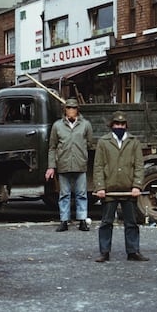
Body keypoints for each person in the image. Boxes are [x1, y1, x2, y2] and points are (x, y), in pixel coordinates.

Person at [92, 111, 149, 262]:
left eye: (122, 124)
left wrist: (137, 185)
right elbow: (98, 166)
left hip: (129, 189)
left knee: (131, 222)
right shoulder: (103, 142)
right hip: (109, 189)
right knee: (106, 222)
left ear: (126, 126)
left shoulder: (134, 142)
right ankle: (104, 251)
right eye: (117, 124)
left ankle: (133, 251)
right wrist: (100, 187)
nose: (119, 127)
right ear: (111, 125)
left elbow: (139, 166)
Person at [45, 98, 94, 232]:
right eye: (69, 108)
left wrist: (82, 156)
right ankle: (64, 220)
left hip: (80, 164)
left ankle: (82, 220)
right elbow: (52, 147)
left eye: (74, 108)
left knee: (82, 194)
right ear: (65, 110)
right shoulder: (57, 126)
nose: (71, 111)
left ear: (78, 110)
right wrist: (51, 166)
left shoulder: (85, 125)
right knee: (64, 194)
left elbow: (89, 143)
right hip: (63, 164)